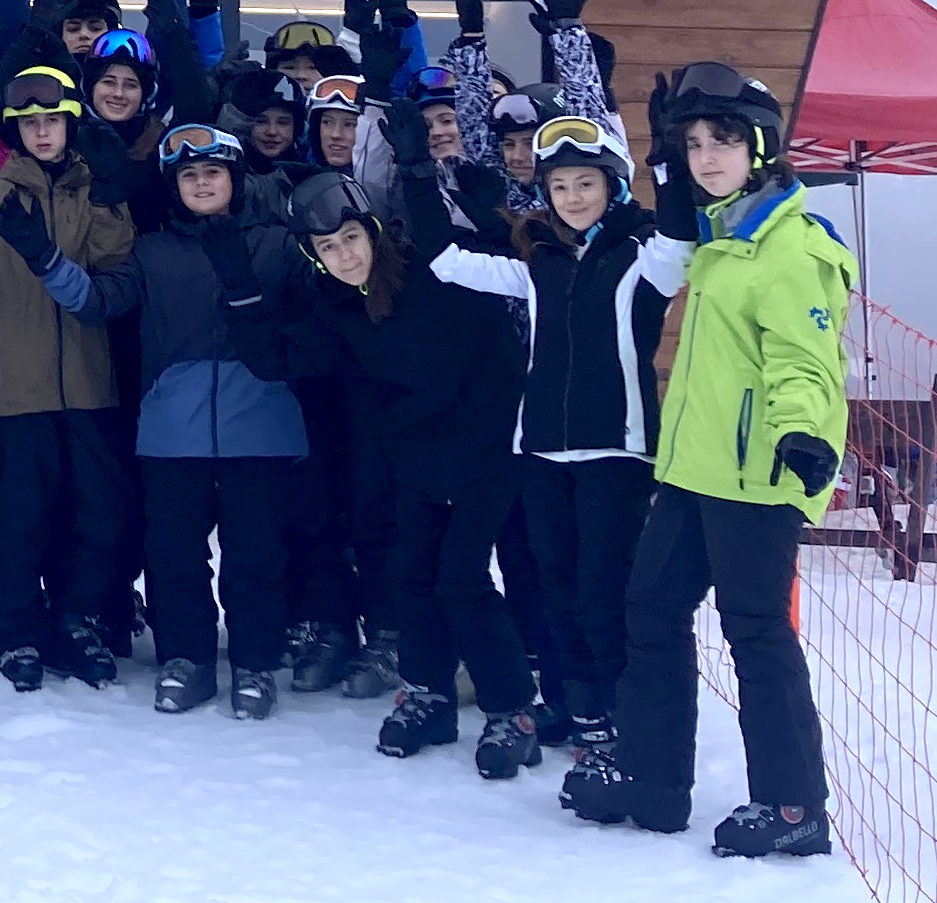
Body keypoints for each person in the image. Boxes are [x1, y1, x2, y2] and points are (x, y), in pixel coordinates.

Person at [566, 65, 850, 859]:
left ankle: (794, 807)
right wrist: (662, 165)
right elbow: (681, 226)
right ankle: (656, 783)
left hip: (760, 474)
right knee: (651, 611)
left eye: (722, 140)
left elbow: (807, 358)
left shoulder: (792, 248)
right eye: (694, 143)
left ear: (760, 147)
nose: (706, 156)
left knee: (756, 633)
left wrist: (803, 434)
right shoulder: (726, 236)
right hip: (693, 471)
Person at [291, 140, 546, 778]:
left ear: (373, 232)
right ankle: (428, 694)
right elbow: (314, 371)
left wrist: (417, 171)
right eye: (328, 248)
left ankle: (512, 710)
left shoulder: (434, 274)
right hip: (419, 458)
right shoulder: (340, 309)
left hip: (487, 446)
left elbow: (488, 346)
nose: (344, 255)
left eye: (351, 238)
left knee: (462, 576)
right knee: (409, 573)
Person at [0, 64, 136, 691]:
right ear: (15, 131)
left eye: (53, 122)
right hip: (15, 385)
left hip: (90, 381)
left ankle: (76, 621)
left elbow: (113, 257)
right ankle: (15, 630)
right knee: (18, 515)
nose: (44, 134)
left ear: (70, 125)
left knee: (92, 513)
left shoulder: (89, 188)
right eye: (31, 123)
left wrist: (111, 189)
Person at [79, 124, 305, 716]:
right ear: (173, 185)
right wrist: (43, 258)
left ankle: (254, 663)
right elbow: (97, 301)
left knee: (255, 554)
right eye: (188, 175)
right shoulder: (153, 250)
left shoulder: (279, 244)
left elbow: (317, 313)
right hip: (171, 429)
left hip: (261, 424)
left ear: (234, 178)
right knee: (174, 553)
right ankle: (186, 658)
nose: (201, 184)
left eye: (212, 173)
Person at [505, 112, 688, 768]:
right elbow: (446, 261)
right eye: (560, 187)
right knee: (555, 590)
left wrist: (666, 165)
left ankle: (616, 714)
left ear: (612, 186)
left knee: (600, 594)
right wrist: (414, 168)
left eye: (587, 183)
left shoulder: (643, 259)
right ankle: (578, 708)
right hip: (544, 454)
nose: (574, 197)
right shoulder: (538, 262)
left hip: (615, 453)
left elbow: (681, 237)